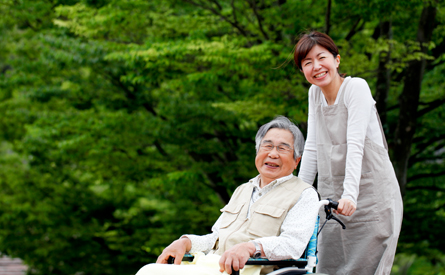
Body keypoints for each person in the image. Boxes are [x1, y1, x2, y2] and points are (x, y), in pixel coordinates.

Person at [135, 116, 320, 275]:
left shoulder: (304, 194)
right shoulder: (243, 189)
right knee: (150, 270)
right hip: (212, 266)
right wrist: (186, 242)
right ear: (257, 152)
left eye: (282, 148)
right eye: (268, 146)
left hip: (250, 270)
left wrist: (251, 247)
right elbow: (216, 238)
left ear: (297, 161)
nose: (273, 154)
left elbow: (292, 244)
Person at [294, 31, 403, 275]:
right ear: (302, 71)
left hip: (370, 197)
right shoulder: (314, 94)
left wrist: (351, 195)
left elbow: (356, 145)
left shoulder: (356, 88)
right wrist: (297, 196)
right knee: (328, 265)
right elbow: (311, 146)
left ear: (337, 60)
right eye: (307, 62)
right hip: (335, 198)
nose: (316, 66)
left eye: (321, 58)